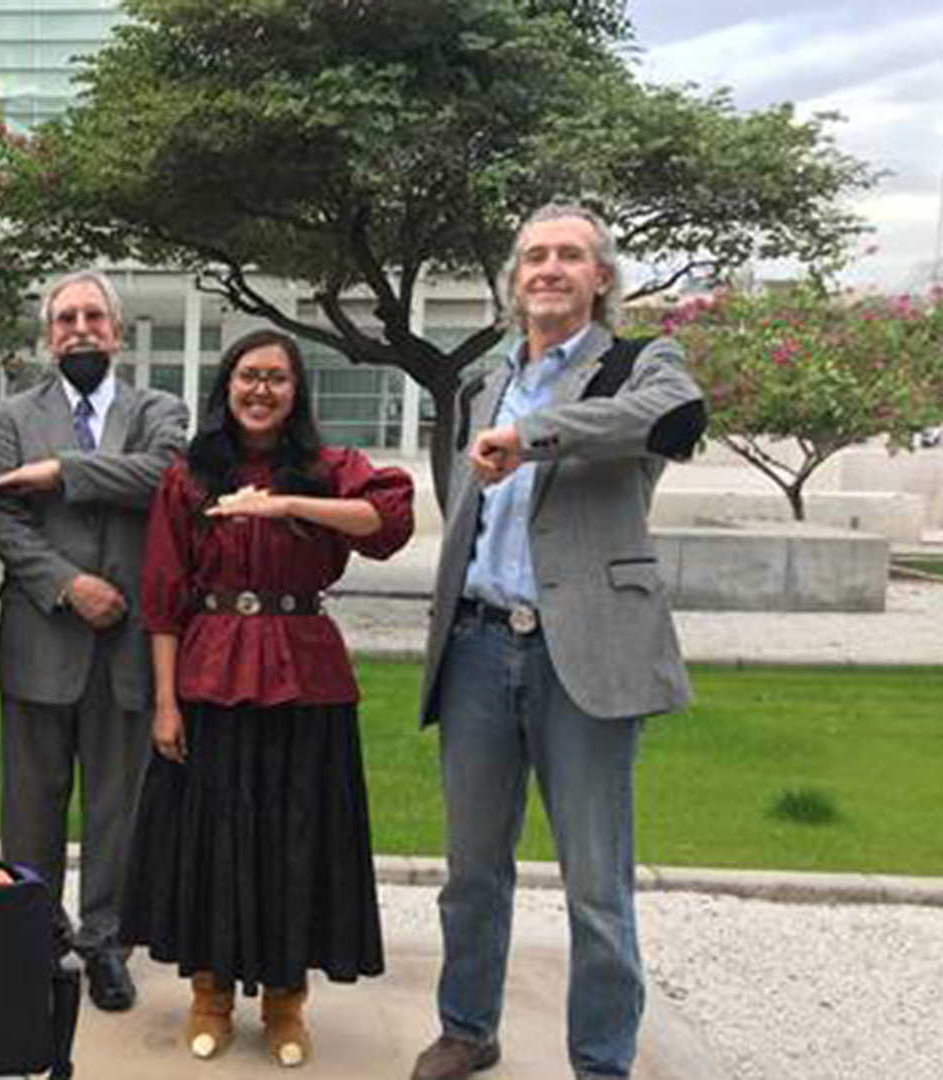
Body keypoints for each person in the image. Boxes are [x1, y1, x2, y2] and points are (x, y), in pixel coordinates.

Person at [410, 204, 707, 1080]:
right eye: (534, 255)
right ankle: (467, 1028)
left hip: (584, 653)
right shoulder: (487, 377)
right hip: (476, 645)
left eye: (569, 256)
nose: (548, 268)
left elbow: (674, 418)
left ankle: (602, 1061)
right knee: (471, 871)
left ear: (600, 277)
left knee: (596, 887)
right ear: (514, 278)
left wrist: (536, 437)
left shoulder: (639, 362)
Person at [120, 328, 414, 1067]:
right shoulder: (188, 477)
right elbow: (161, 598)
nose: (261, 390)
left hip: (303, 674)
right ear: (227, 386)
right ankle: (211, 997)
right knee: (212, 837)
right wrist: (165, 702)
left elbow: (390, 520)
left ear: (296, 392)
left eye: (277, 379)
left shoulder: (327, 468)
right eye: (249, 376)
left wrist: (286, 504)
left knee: (295, 836)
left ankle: (286, 1005)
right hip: (211, 670)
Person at [0, 269, 189, 1012]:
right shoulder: (10, 416)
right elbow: (2, 517)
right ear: (48, 334)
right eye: (65, 317)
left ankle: (105, 942)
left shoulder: (159, 408)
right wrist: (71, 586)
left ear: (117, 332)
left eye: (93, 317)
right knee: (29, 807)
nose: (79, 328)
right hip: (43, 636)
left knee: (117, 808)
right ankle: (33, 937)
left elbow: (167, 477)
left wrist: (62, 472)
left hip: (131, 649)